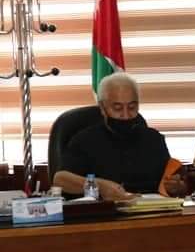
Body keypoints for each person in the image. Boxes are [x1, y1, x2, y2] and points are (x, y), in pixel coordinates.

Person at [53, 72, 185, 201]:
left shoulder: (154, 139)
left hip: (151, 211)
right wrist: (99, 186)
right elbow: (60, 180)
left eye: (132, 107)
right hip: (105, 212)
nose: (126, 116)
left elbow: (170, 183)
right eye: (117, 108)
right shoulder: (85, 140)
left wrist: (175, 187)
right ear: (102, 108)